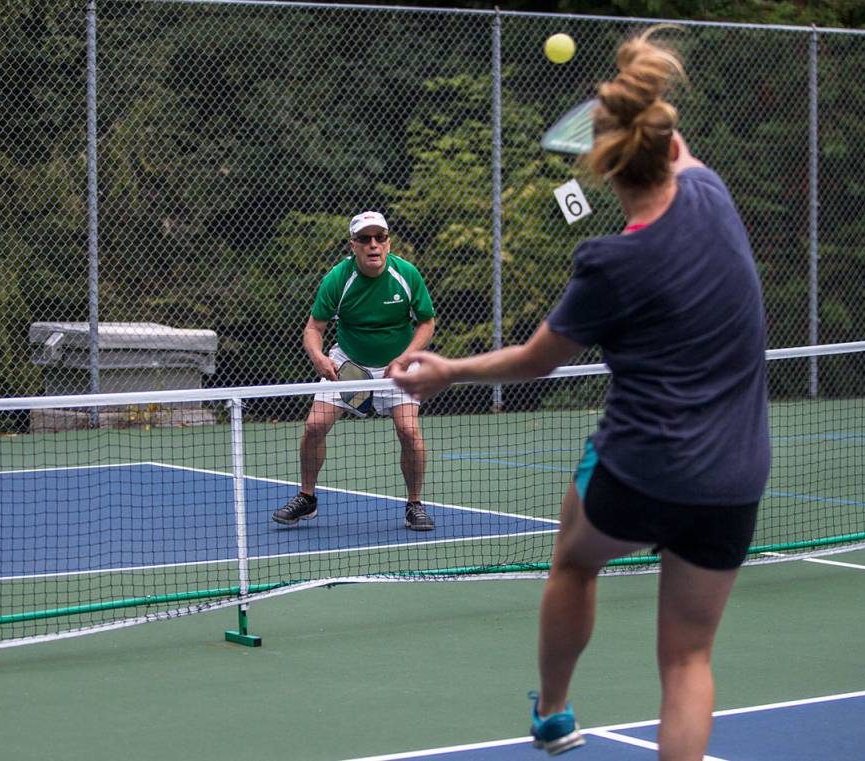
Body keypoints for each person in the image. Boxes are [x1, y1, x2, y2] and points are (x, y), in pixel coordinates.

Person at [391, 27, 769, 761]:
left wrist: (446, 371)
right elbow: (671, 140)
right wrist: (631, 93)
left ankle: (555, 711)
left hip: (638, 471)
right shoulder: (712, 193)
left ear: (605, 169)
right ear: (665, 143)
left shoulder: (608, 263)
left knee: (575, 560)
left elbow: (536, 361)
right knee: (688, 664)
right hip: (733, 479)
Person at [273, 211, 438, 531]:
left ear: (388, 243)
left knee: (409, 431)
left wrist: (404, 359)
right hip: (349, 364)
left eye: (380, 238)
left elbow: (426, 323)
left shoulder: (407, 274)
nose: (373, 245)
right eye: (365, 239)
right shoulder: (338, 278)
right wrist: (319, 358)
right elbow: (313, 328)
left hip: (398, 364)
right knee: (314, 426)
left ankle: (415, 504)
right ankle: (307, 498)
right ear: (354, 246)